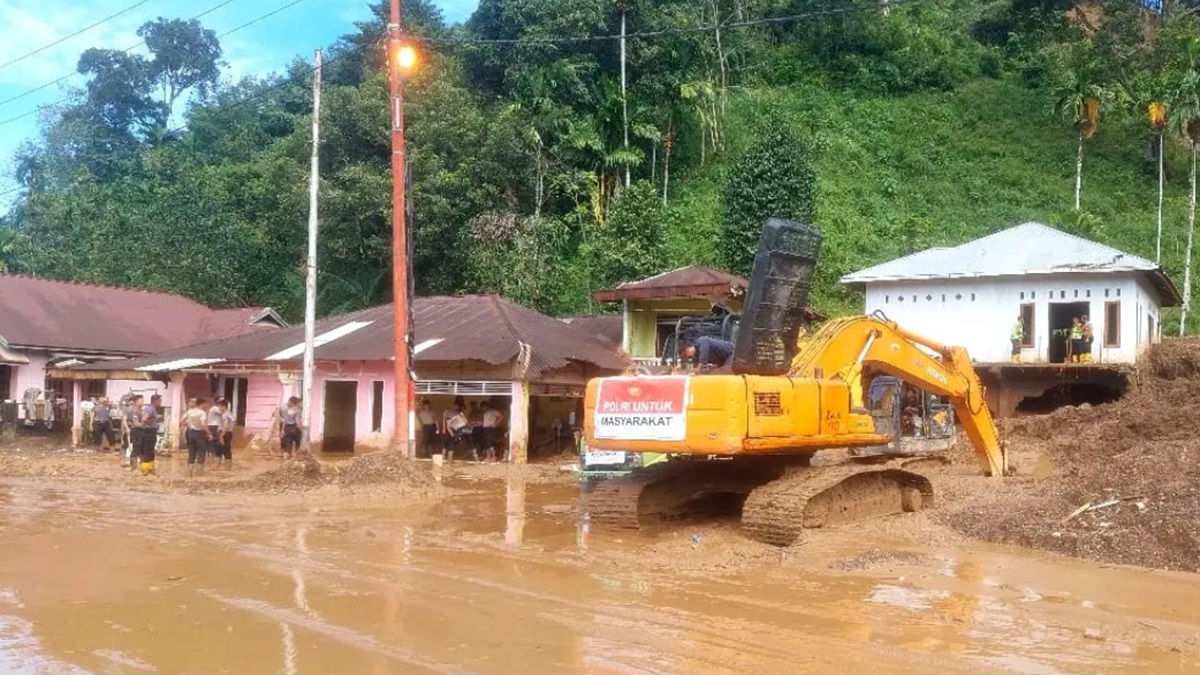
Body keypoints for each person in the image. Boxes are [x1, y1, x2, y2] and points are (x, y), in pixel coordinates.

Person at [180, 398, 210, 477]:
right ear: (202, 404)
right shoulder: (202, 413)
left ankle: (190, 473)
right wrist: (209, 433)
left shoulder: (189, 411)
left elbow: (182, 421)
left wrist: (188, 425)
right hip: (199, 433)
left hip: (190, 433)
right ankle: (199, 474)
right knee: (201, 453)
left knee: (191, 453)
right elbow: (203, 424)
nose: (206, 405)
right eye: (205, 404)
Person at [136, 394, 161, 475]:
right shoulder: (151, 409)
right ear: (155, 401)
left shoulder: (149, 409)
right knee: (147, 450)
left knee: (150, 450)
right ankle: (145, 469)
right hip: (149, 432)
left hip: (149, 431)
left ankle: (150, 468)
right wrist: (151, 424)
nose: (160, 403)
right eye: (160, 401)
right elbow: (144, 419)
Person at [207, 398, 225, 465]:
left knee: (213, 443)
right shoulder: (215, 408)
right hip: (214, 426)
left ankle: (213, 459)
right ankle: (217, 458)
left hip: (214, 426)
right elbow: (223, 412)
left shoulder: (214, 408)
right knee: (217, 442)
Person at [218, 400, 235, 470]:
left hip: (225, 432)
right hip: (230, 432)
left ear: (224, 407)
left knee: (224, 449)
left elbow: (225, 425)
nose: (219, 408)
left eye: (220, 407)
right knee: (227, 448)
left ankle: (227, 467)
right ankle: (228, 466)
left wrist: (222, 435)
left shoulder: (224, 415)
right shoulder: (230, 414)